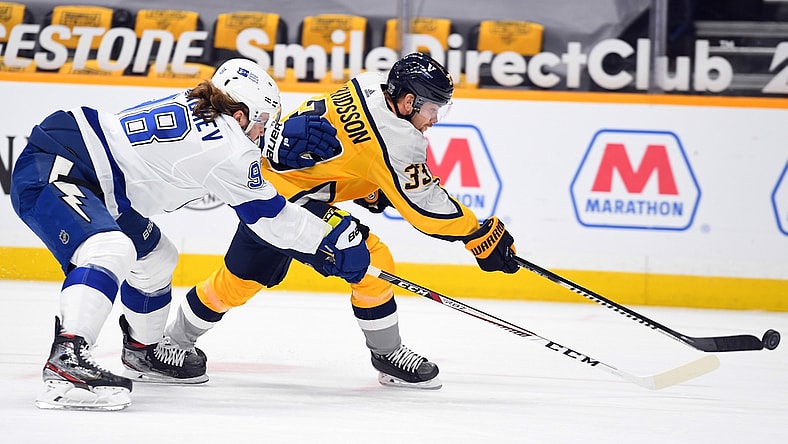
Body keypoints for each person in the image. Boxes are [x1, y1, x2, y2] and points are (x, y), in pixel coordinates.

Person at [9, 58, 370, 411]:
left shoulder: (199, 103)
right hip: (61, 165)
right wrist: (327, 240)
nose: (261, 135)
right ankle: (67, 359)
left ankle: (142, 351)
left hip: (97, 176)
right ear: (241, 114)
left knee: (156, 257)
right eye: (262, 124)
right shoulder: (228, 147)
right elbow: (270, 217)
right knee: (110, 247)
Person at [160, 52, 519, 390]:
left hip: (265, 184)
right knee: (373, 261)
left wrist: (365, 186)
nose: (435, 118)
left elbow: (344, 145)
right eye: (433, 108)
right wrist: (477, 233)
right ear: (408, 102)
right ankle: (387, 354)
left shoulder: (369, 82)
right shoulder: (399, 140)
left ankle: (172, 343)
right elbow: (426, 208)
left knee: (240, 279)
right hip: (291, 200)